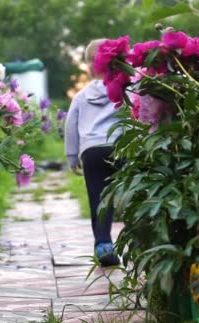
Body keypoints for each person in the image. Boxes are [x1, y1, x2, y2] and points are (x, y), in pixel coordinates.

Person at [64, 38, 122, 267]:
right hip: (120, 147)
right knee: (128, 194)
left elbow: (70, 125)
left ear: (89, 67)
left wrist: (71, 157)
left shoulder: (81, 96)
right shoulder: (122, 89)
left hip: (91, 151)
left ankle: (103, 244)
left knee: (98, 198)